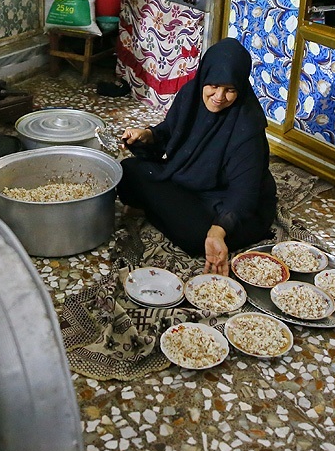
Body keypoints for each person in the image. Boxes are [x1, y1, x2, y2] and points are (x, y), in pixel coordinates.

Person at [116, 37, 277, 276]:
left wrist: (218, 231)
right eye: (214, 85)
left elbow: (244, 193)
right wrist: (147, 135)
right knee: (128, 169)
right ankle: (161, 210)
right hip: (186, 178)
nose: (219, 97)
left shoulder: (247, 127)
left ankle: (159, 212)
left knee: (195, 237)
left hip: (221, 200)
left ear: (241, 88)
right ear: (204, 77)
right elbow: (170, 131)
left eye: (230, 89)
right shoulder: (190, 95)